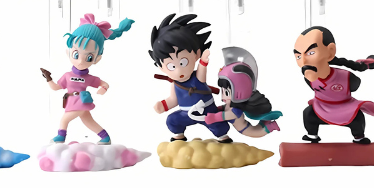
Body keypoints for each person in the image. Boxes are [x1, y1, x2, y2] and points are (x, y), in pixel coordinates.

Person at [41, 14, 134, 145]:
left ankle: (61, 137)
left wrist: (104, 88)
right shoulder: (67, 75)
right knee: (88, 121)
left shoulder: (88, 78)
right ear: (68, 52)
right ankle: (105, 137)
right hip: (71, 102)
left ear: (97, 59)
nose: (80, 61)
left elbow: (104, 83)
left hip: (81, 102)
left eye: (89, 57)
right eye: (76, 54)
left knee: (64, 120)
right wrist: (48, 78)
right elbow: (56, 87)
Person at [149, 14, 232, 142]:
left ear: (196, 54)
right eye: (171, 66)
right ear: (161, 67)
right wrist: (163, 106)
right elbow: (173, 100)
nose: (179, 71)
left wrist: (203, 61)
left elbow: (202, 71)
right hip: (186, 114)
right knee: (172, 120)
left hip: (207, 112)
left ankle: (223, 137)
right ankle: (179, 136)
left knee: (218, 126)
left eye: (183, 62)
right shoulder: (175, 85)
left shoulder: (197, 77)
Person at [293, 26, 374, 144]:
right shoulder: (309, 79)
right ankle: (312, 135)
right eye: (298, 56)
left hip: (346, 108)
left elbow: (355, 86)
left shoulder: (347, 77)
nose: (304, 61)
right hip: (320, 108)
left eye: (311, 53)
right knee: (308, 113)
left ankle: (359, 137)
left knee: (357, 117)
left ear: (330, 51)